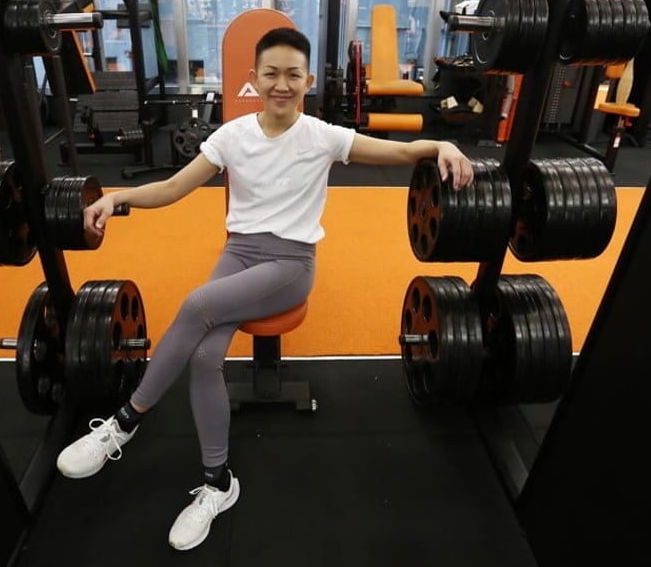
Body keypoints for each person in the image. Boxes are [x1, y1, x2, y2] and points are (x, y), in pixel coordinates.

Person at [55, 27, 475, 551]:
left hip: (290, 264)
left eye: (292, 75)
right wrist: (116, 200)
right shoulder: (232, 136)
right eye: (271, 73)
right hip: (240, 253)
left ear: (307, 81)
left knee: (197, 303)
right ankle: (218, 484)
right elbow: (171, 187)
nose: (282, 84)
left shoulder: (322, 135)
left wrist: (442, 142)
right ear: (253, 79)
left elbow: (400, 153)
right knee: (206, 357)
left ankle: (125, 422)